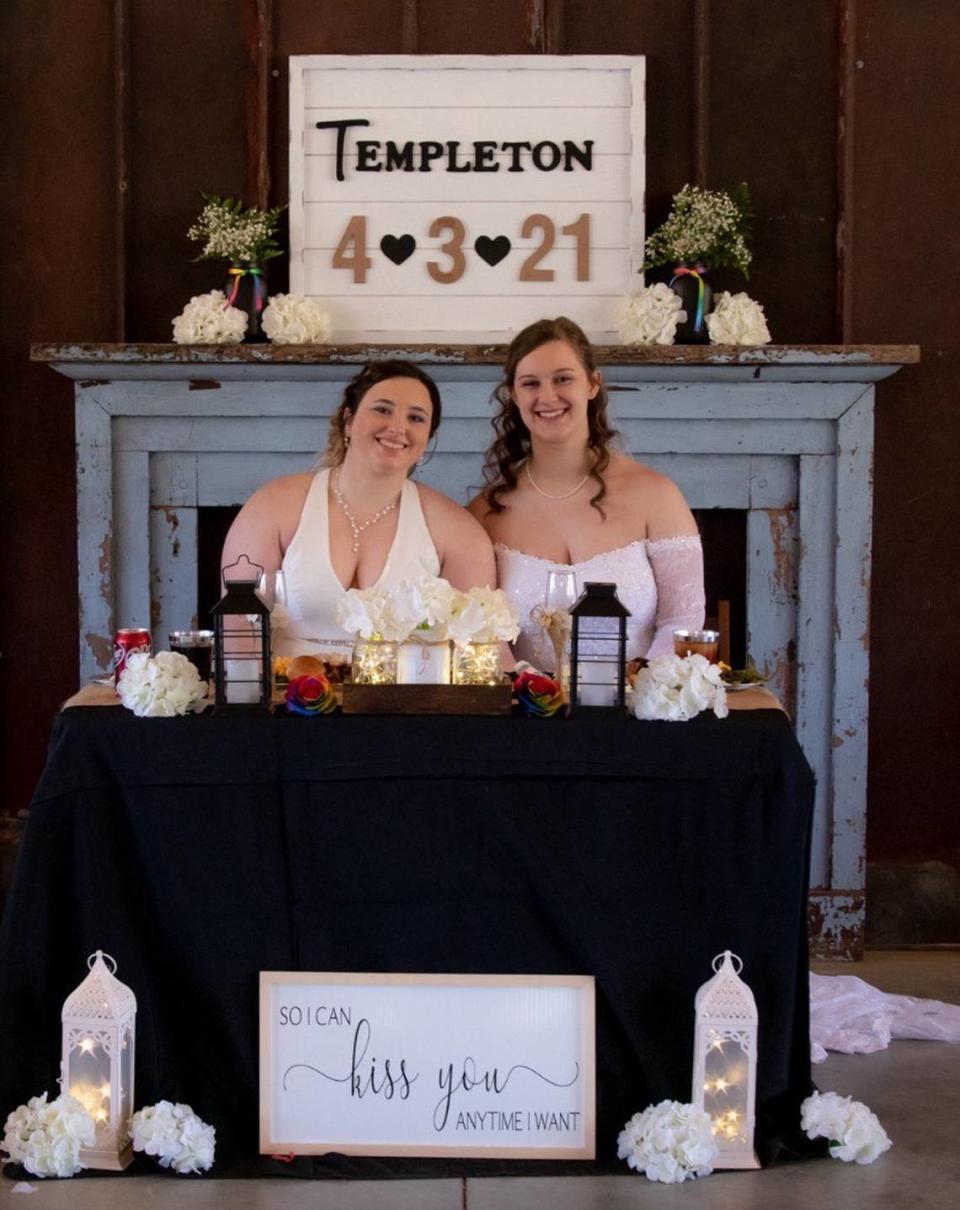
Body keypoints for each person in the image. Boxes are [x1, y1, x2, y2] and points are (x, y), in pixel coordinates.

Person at [469, 316, 705, 668]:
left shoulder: (656, 496)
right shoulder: (485, 513)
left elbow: (681, 622)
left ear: (593, 384)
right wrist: (530, 695)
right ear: (514, 396)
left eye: (563, 379)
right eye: (530, 383)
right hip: (524, 714)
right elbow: (481, 633)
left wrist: (641, 691)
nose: (547, 396)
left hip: (637, 714)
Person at [222, 360, 496, 657]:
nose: (397, 427)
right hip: (288, 697)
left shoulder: (457, 529)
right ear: (348, 420)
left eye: (416, 418)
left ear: (427, 440)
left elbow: (478, 648)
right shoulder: (273, 506)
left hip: (404, 700)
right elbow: (237, 634)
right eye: (382, 409)